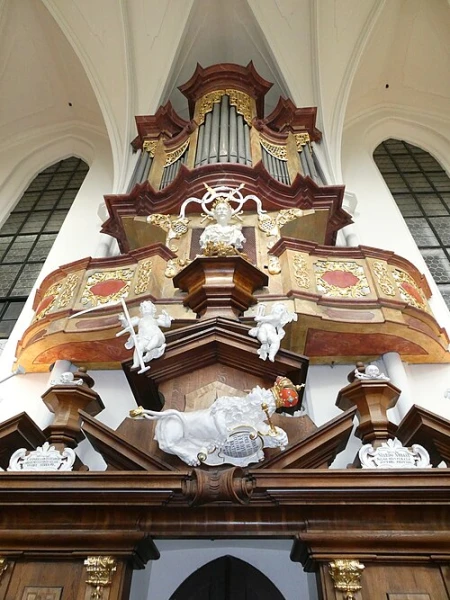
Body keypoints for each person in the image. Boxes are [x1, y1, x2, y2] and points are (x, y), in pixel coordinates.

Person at [117, 301, 172, 371]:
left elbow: (167, 324)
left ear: (152, 309)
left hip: (157, 338)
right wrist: (123, 319)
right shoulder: (138, 320)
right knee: (139, 346)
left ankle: (149, 348)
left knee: (156, 336)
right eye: (143, 307)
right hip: (145, 339)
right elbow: (127, 325)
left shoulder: (155, 320)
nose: (144, 308)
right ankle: (136, 363)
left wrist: (166, 316)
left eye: (146, 307)